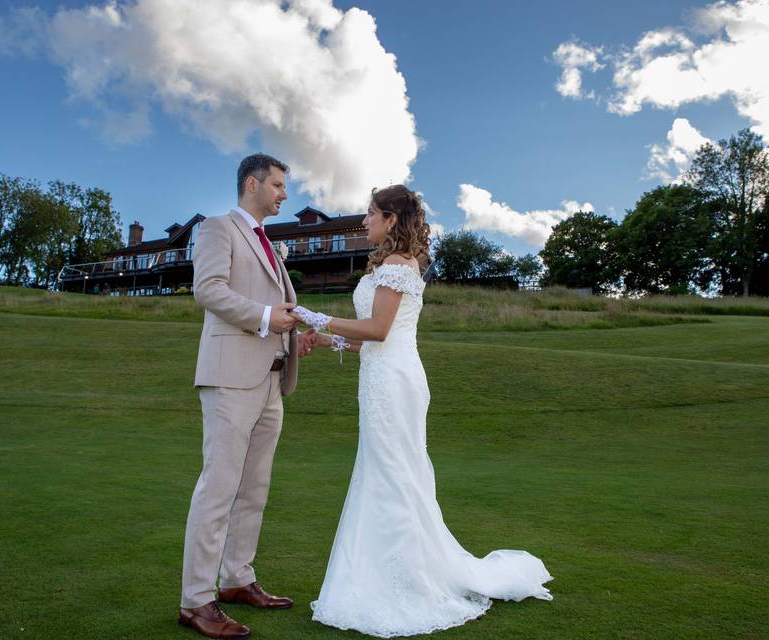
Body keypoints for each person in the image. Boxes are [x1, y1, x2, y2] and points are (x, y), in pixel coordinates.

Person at [298, 184, 553, 637]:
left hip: (394, 383)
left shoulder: (398, 265)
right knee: (385, 472)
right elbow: (366, 340)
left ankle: (405, 584)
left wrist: (310, 316)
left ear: (390, 220)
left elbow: (378, 330)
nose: (363, 222)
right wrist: (326, 339)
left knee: (395, 474)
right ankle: (381, 575)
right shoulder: (388, 265)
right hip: (381, 378)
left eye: (370, 214)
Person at [179, 153, 301, 640]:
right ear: (252, 184)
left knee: (254, 489)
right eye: (277, 185)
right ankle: (195, 602)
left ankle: (236, 580)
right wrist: (271, 318)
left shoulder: (270, 245)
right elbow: (207, 290)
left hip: (272, 380)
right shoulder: (216, 227)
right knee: (219, 488)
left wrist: (294, 337)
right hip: (230, 379)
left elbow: (274, 309)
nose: (284, 194)